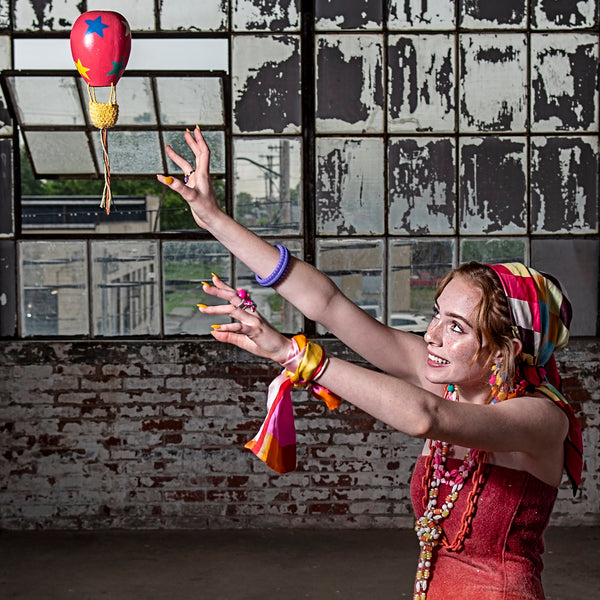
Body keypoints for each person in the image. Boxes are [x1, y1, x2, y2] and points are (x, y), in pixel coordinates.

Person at [157, 127, 583, 600]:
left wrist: (297, 356)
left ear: (505, 349)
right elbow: (327, 304)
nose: (432, 336)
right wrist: (213, 218)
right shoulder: (443, 378)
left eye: (458, 327)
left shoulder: (542, 418)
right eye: (436, 315)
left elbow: (426, 418)